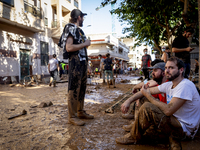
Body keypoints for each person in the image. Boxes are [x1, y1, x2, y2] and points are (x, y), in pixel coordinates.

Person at [116, 57, 200, 150]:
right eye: (166, 67)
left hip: (184, 130)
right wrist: (128, 101)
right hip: (174, 122)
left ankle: (133, 137)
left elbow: (168, 111)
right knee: (147, 132)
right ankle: (137, 132)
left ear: (181, 70)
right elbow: (145, 91)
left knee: (148, 107)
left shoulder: (185, 85)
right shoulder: (169, 84)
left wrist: (148, 96)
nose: (167, 70)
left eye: (171, 68)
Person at [61, 9, 94, 126]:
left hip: (82, 62)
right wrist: (85, 44)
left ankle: (80, 111)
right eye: (83, 17)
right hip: (75, 62)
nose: (83, 19)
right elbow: (69, 47)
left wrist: (88, 64)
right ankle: (72, 116)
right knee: (74, 88)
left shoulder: (80, 31)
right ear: (79, 17)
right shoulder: (70, 28)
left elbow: (82, 49)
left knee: (82, 88)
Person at [122, 61, 168, 132]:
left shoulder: (166, 84)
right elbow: (144, 91)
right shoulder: (159, 84)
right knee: (143, 98)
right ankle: (137, 124)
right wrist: (129, 100)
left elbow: (144, 84)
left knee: (146, 104)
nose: (152, 73)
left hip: (168, 116)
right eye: (152, 70)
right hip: (164, 112)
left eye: (155, 70)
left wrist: (135, 90)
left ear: (163, 73)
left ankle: (137, 127)